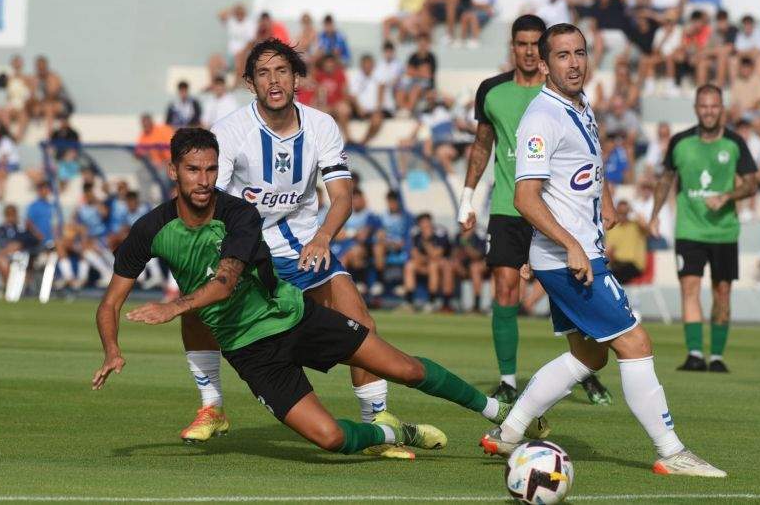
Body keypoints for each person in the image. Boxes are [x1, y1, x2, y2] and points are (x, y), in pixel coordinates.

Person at [92, 129, 549, 461]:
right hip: (250, 352)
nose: (204, 179)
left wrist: (174, 306)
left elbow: (225, 281)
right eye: (193, 169)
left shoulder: (239, 215)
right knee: (329, 439)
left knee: (405, 367)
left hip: (293, 316)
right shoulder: (151, 229)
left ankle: (502, 412)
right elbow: (110, 302)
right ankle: (394, 435)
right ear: (173, 170)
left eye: (212, 169)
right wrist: (112, 349)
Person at [481, 23, 725, 478]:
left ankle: (508, 433)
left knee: (589, 356)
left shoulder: (580, 105)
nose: (573, 63)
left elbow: (588, 165)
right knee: (635, 342)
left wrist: (605, 202)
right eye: (562, 55)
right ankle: (671, 452)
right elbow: (524, 197)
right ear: (546, 64)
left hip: (575, 251)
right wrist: (572, 245)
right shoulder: (542, 118)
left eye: (580, 53)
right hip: (569, 259)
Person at [195, 38, 411, 459]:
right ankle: (211, 406)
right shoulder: (230, 131)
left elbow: (343, 196)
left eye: (281, 71)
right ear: (250, 83)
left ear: (296, 78)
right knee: (199, 300)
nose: (273, 81)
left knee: (359, 323)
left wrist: (323, 237)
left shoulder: (322, 125)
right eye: (263, 73)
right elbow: (212, 200)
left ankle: (378, 423)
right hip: (252, 252)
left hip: (307, 245)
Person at [457, 15, 610, 405]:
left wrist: (603, 197)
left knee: (572, 292)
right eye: (521, 43)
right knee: (506, 290)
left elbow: (586, 150)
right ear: (513, 47)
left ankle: (587, 368)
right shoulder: (491, 91)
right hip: (510, 206)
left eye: (533, 44)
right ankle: (508, 379)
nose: (527, 50)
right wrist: (467, 197)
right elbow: (481, 145)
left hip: (556, 209)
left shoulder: (560, 95)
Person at [649, 85, 757, 373]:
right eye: (704, 106)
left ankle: (718, 356)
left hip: (724, 231)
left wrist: (728, 196)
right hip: (689, 229)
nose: (709, 111)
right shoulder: (680, 142)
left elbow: (751, 183)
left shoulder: (735, 143)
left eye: (714, 106)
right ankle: (695, 354)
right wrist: (655, 214)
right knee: (690, 288)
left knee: (722, 292)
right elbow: (665, 179)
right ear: (696, 108)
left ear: (722, 108)